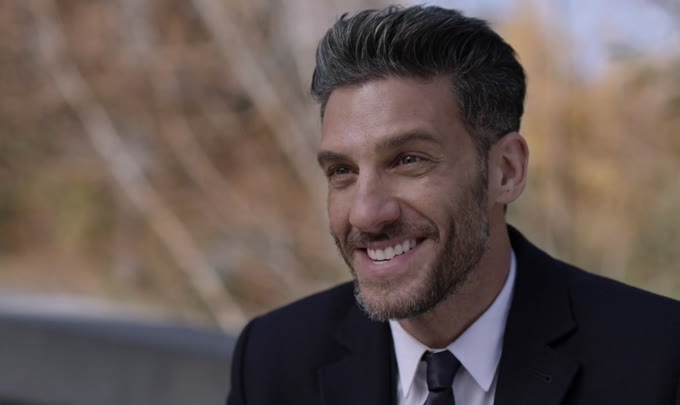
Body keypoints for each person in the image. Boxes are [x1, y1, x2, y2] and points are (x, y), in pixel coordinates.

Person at [226, 5, 680, 405]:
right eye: (342, 171)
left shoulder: (658, 359)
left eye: (408, 160)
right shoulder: (273, 361)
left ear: (506, 171)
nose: (365, 213)